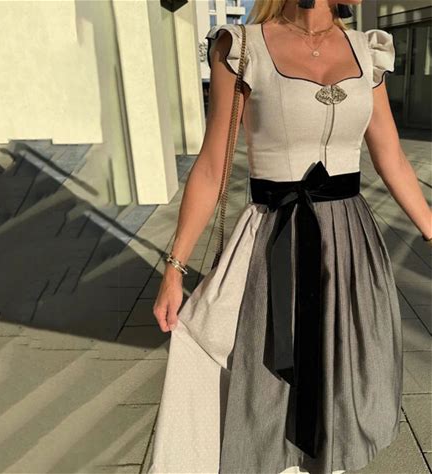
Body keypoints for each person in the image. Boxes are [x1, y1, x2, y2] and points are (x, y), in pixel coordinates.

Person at [149, 0, 432, 473]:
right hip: (271, 236)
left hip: (349, 243)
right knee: (262, 370)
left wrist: (430, 227)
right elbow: (213, 165)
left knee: (342, 374)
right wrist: (174, 268)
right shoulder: (241, 48)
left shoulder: (368, 50)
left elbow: (392, 158)